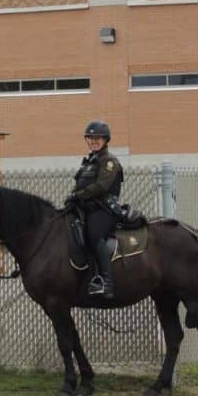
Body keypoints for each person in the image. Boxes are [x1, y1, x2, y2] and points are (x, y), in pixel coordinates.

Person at [66, 120, 122, 298]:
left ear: (106, 139)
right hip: (86, 207)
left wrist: (79, 196)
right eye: (90, 137)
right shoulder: (88, 161)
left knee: (94, 233)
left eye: (98, 137)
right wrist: (72, 198)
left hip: (104, 209)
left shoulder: (109, 161)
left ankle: (107, 281)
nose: (93, 140)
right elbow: (79, 184)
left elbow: (101, 186)